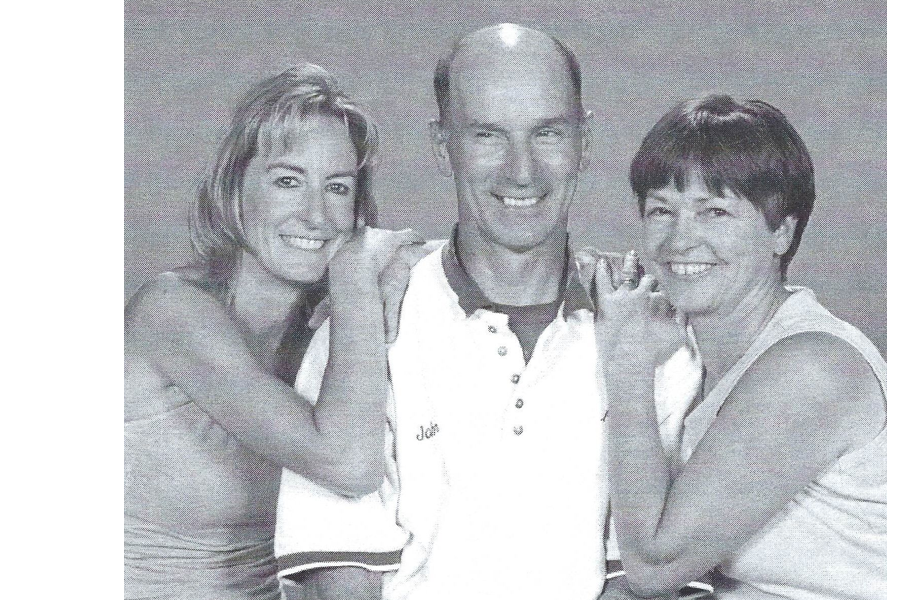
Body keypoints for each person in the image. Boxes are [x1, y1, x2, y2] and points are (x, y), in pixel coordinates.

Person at [272, 24, 702, 600]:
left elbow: (651, 579)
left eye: (547, 133)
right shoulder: (368, 326)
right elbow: (337, 579)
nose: (521, 170)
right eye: (487, 135)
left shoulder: (649, 329)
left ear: (584, 139)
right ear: (443, 143)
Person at [124, 64, 428, 599]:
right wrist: (357, 278)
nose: (316, 215)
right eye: (288, 180)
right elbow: (349, 465)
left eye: (337, 187)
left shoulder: (334, 328)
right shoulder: (172, 311)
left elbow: (489, 276)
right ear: (233, 185)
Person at [595, 95, 886, 599]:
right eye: (662, 210)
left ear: (781, 231)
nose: (680, 240)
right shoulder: (695, 356)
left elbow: (652, 566)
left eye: (714, 212)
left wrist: (626, 366)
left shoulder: (813, 367)